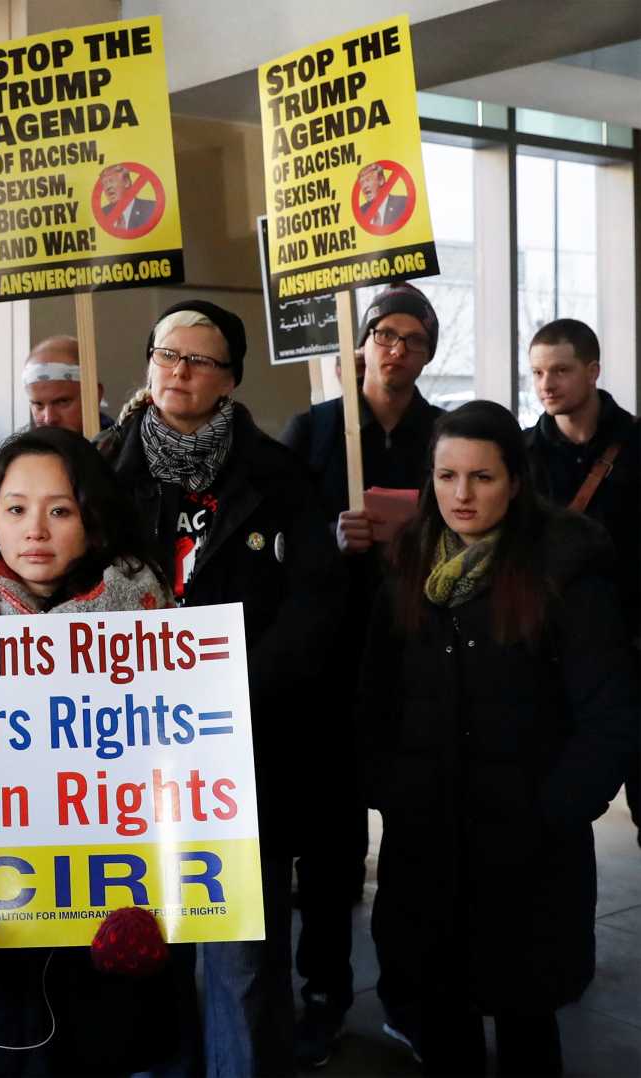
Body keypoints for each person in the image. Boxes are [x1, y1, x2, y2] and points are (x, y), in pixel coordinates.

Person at [96, 300, 342, 1078]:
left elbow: (314, 608)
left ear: (230, 380)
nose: (179, 371)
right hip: (124, 759)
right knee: (143, 953)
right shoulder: (98, 472)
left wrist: (227, 696)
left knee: (240, 964)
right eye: (166, 354)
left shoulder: (281, 477)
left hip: (241, 755)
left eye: (199, 361)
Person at [360, 401, 638, 1076]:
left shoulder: (565, 569)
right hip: (428, 840)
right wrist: (390, 789)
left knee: (526, 1023)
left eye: (481, 477)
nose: (462, 494)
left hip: (528, 849)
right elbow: (373, 697)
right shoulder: (407, 564)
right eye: (447, 476)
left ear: (514, 479)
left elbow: (610, 715)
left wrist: (554, 812)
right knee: (443, 1020)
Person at [0, 426, 177, 1076]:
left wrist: (162, 905)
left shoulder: (155, 616)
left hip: (110, 914)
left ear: (94, 520)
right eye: (16, 508)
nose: (36, 529)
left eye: (60, 509)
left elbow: (179, 778)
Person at [278, 282, 444, 1068]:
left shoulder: (444, 435)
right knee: (331, 848)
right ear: (361, 343)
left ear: (428, 351)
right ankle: (324, 993)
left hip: (419, 664)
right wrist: (325, 536)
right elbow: (275, 541)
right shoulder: (312, 432)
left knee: (416, 847)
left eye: (413, 337)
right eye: (384, 333)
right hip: (332, 670)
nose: (396, 347)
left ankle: (410, 994)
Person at [524, 317, 640, 848]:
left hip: (633, 645)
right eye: (538, 372)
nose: (547, 384)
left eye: (561, 370)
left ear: (593, 371)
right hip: (555, 652)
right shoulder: (521, 456)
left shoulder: (636, 446)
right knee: (556, 802)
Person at [23, 337, 108, 434]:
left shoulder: (119, 446)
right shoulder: (26, 447)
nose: (49, 419)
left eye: (62, 402)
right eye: (38, 405)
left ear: (95, 395)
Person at [97, 163, 154, 230]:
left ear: (126, 182)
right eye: (104, 183)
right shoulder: (101, 214)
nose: (108, 187)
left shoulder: (151, 208)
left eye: (111, 181)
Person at [356, 162, 408, 230]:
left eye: (368, 180)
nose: (364, 186)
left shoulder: (403, 203)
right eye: (362, 183)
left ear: (381, 180)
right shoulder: (361, 212)